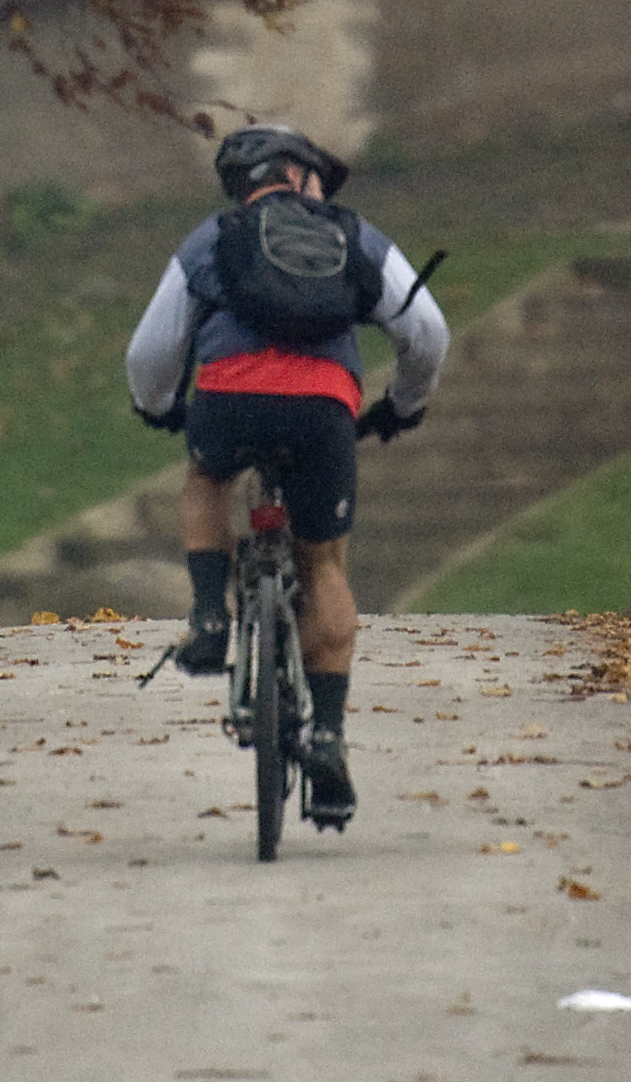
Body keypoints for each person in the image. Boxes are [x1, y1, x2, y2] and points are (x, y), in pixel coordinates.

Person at [122, 121, 448, 828]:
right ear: (301, 175)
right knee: (325, 564)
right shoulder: (354, 236)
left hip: (229, 399)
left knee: (206, 481)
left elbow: (150, 352)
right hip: (323, 412)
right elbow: (426, 331)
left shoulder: (213, 239)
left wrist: (159, 408)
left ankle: (211, 617)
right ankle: (327, 738)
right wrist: (402, 405)